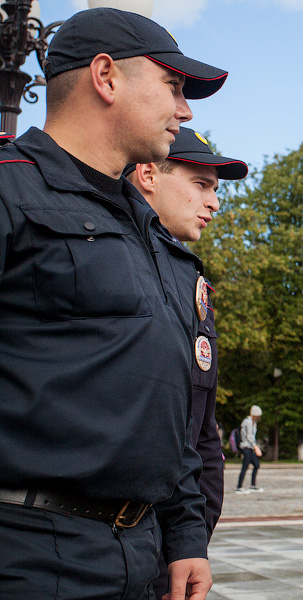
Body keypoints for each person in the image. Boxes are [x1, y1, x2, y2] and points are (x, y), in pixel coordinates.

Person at [0, 8, 227, 600]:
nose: (186, 110)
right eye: (174, 87)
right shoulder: (10, 190)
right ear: (106, 77)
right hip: (24, 554)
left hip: (135, 557)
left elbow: (169, 407)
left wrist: (184, 539)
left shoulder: (152, 236)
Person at [126, 126, 249, 599]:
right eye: (202, 185)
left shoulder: (188, 281)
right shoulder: (119, 265)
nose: (215, 203)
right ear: (149, 173)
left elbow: (200, 432)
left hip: (165, 546)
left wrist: (190, 539)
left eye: (216, 190)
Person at [236, 406, 264, 494]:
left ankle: (253, 485)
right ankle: (239, 486)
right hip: (246, 447)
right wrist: (256, 447)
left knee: (256, 464)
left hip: (250, 447)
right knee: (245, 466)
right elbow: (249, 436)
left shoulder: (253, 423)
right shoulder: (247, 422)